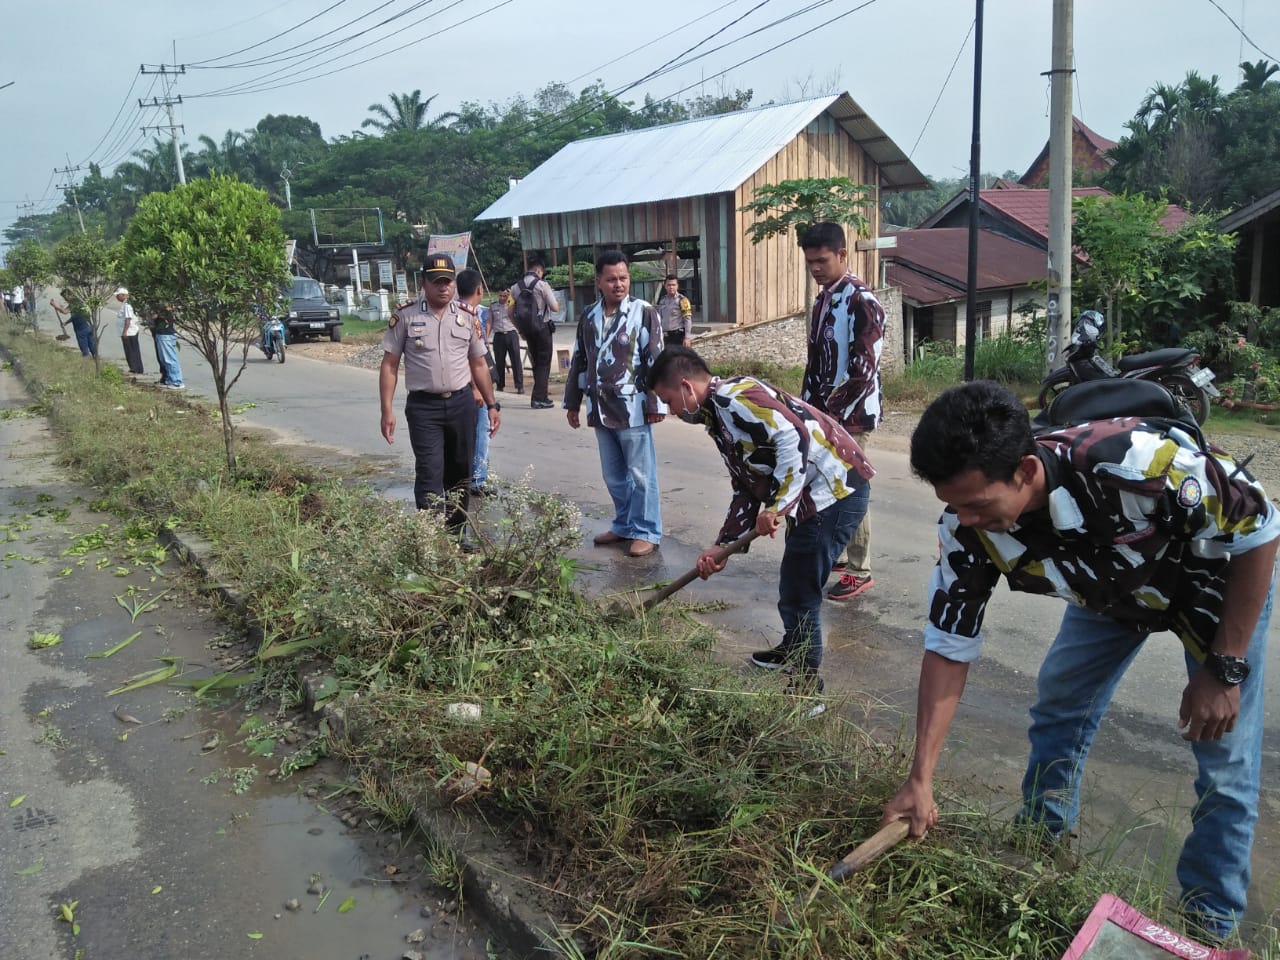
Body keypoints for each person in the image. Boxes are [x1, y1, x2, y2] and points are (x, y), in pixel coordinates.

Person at [882, 380, 1279, 942]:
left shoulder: (1140, 465)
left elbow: (1260, 527)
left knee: (1224, 759)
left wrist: (1226, 667)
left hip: (1211, 587)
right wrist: (919, 778)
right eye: (953, 505)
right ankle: (1040, 851)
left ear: (1024, 471)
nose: (964, 520)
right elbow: (949, 645)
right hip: (1112, 589)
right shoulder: (966, 529)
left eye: (976, 504)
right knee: (1060, 706)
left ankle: (1206, 926)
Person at [649, 346, 872, 709]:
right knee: (793, 584)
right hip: (814, 496)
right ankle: (792, 649)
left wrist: (779, 505)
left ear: (686, 387)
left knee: (801, 594)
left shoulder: (736, 398)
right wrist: (723, 546)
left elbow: (793, 436)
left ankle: (805, 690)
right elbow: (748, 484)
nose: (671, 411)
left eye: (668, 400)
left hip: (836, 493)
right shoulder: (718, 416)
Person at [795, 222, 885, 603]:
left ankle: (859, 570)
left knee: (852, 488)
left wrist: (832, 415)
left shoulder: (861, 301)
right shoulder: (824, 298)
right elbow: (817, 363)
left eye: (822, 260)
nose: (815, 267)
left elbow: (864, 370)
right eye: (810, 261)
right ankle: (843, 554)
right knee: (829, 485)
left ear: (843, 255)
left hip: (852, 417)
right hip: (823, 415)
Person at [379, 254, 500, 532]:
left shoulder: (468, 317)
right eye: (436, 282)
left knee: (461, 473)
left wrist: (492, 405)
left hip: (461, 404)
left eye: (448, 282)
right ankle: (430, 537)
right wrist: (387, 409)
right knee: (430, 472)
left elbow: (479, 363)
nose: (443, 287)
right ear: (423, 283)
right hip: (424, 408)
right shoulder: (406, 316)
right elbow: (389, 365)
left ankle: (456, 534)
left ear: (455, 284)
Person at [564, 250, 664, 558]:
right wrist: (572, 401)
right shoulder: (589, 315)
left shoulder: (644, 311)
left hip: (632, 407)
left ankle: (647, 530)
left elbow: (656, 359)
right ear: (599, 282)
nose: (618, 284)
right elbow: (580, 358)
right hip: (599, 407)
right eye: (611, 279)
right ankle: (623, 525)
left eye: (623, 278)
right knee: (613, 475)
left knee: (641, 474)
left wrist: (656, 403)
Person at [455, 269, 496, 496]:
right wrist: (476, 389)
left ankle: (465, 478)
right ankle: (477, 480)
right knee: (481, 431)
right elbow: (468, 358)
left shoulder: (454, 312)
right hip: (472, 386)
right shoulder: (470, 316)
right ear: (479, 289)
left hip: (462, 387)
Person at [510, 256, 560, 409]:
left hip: (527, 330)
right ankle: (538, 398)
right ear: (539, 270)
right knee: (544, 363)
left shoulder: (515, 287)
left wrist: (520, 329)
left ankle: (542, 396)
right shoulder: (542, 285)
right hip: (542, 328)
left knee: (536, 362)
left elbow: (510, 312)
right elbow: (555, 307)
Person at [488, 288, 523, 394]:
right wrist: (486, 337)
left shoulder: (512, 305)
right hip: (499, 336)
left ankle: (519, 386)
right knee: (499, 361)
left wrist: (511, 296)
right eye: (500, 296)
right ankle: (500, 385)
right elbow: (490, 322)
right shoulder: (493, 306)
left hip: (511, 334)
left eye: (505, 296)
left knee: (516, 361)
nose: (502, 298)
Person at [49, 290, 96, 356]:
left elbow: (65, 311)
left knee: (85, 349)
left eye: (65, 297)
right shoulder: (79, 302)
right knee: (92, 347)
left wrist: (54, 305)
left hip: (81, 330)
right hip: (89, 327)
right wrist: (66, 323)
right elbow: (76, 316)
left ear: (69, 296)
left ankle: (87, 362)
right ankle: (95, 360)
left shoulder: (75, 303)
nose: (65, 299)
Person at [149, 304, 184, 389]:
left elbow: (154, 316)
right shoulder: (165, 307)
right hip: (163, 334)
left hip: (165, 334)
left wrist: (153, 312)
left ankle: (176, 381)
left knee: (169, 359)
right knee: (164, 359)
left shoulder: (163, 308)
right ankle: (169, 379)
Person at [655, 274, 692, 348]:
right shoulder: (662, 300)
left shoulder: (683, 300)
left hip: (677, 336)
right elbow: (659, 318)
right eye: (669, 285)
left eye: (673, 285)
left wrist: (687, 337)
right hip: (665, 337)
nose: (671, 287)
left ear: (677, 286)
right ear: (665, 286)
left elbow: (687, 319)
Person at [115, 287, 144, 375]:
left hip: (130, 332)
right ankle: (136, 368)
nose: (117, 298)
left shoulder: (127, 305)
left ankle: (135, 368)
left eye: (118, 295)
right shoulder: (124, 304)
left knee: (130, 350)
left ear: (123, 295)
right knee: (132, 349)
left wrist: (125, 332)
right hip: (129, 331)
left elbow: (128, 319)